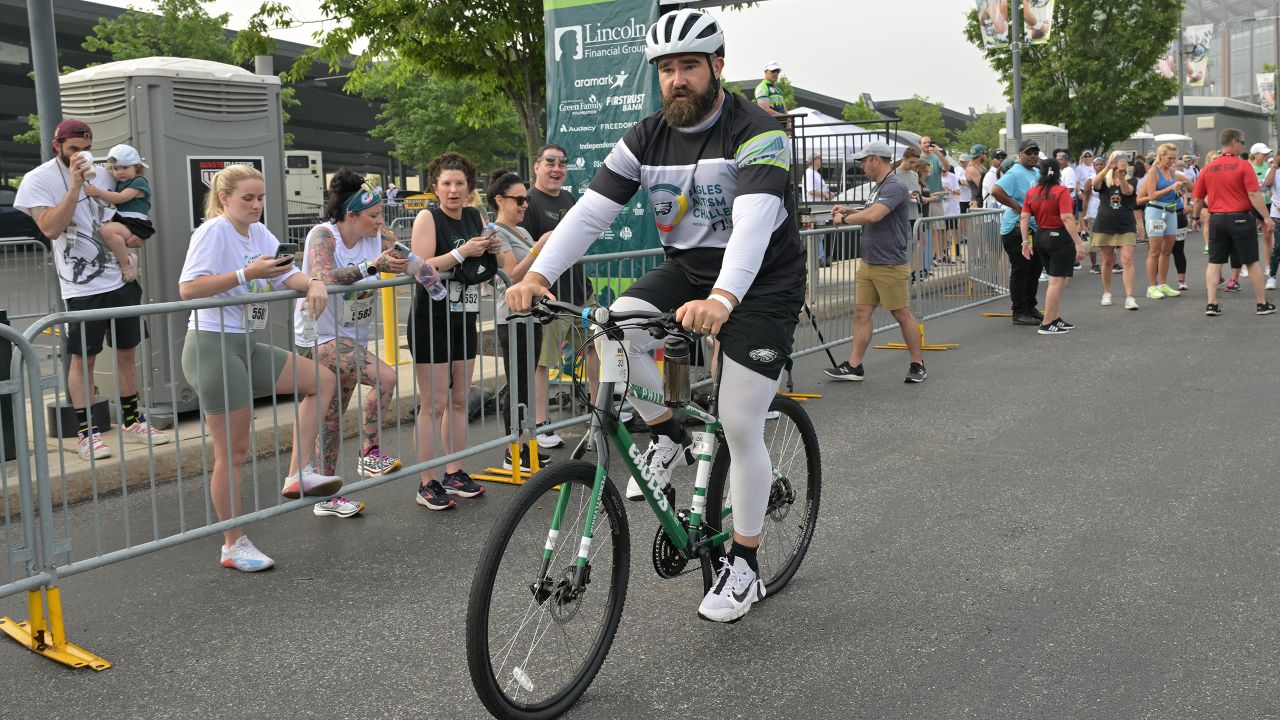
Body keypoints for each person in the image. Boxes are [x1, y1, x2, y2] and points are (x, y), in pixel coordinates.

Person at [506, 8, 807, 623]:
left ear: (717, 67)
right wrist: (539, 274)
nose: (677, 80)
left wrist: (722, 302)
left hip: (763, 281)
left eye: (689, 66)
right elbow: (589, 215)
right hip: (689, 269)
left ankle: (745, 566)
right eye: (666, 69)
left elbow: (751, 225)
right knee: (611, 328)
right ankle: (668, 431)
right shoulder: (644, 137)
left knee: (740, 422)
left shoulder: (758, 130)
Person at [178, 164, 341, 571]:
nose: (255, 205)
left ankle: (297, 473)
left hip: (246, 344)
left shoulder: (260, 233)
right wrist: (246, 273)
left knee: (321, 380)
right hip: (212, 346)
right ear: (224, 199)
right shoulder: (213, 231)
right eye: (247, 198)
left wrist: (314, 284)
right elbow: (188, 288)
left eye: (261, 198)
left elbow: (287, 272)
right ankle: (232, 543)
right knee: (232, 452)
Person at [13, 119, 170, 461]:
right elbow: (51, 228)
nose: (81, 156)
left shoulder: (104, 171)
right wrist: (73, 185)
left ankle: (131, 420)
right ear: (57, 146)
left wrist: (136, 236)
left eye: (86, 150)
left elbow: (128, 211)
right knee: (83, 357)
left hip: (121, 278)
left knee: (128, 350)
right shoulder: (38, 180)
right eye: (73, 150)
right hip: (82, 286)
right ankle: (87, 432)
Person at [294, 169, 410, 520]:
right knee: (387, 378)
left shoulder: (378, 234)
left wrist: (450, 258)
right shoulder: (323, 235)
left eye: (381, 214)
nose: (381, 221)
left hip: (351, 336)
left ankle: (327, 492)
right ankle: (369, 452)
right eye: (373, 216)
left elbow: (408, 255)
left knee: (332, 417)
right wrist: (371, 266)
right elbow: (324, 276)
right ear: (350, 216)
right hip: (319, 336)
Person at [407, 151, 497, 509]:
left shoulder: (476, 215)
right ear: (435, 187)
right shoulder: (428, 217)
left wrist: (489, 249)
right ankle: (426, 481)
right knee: (434, 403)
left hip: (464, 316)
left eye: (460, 183)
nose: (453, 189)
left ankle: (454, 471)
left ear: (470, 187)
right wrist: (463, 254)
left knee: (459, 399)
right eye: (446, 183)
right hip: (432, 319)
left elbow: (484, 259)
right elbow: (421, 265)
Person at [520, 144, 601, 449]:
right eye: (550, 162)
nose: (556, 169)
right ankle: (542, 423)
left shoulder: (569, 198)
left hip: (582, 292)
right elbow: (523, 253)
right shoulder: (527, 202)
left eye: (562, 164)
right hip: (548, 298)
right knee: (544, 362)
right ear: (537, 167)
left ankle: (598, 412)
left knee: (595, 349)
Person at [826, 141, 927, 381]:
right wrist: (850, 210)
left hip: (889, 262)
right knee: (862, 312)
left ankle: (917, 363)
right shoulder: (879, 187)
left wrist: (843, 219)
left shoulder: (894, 186)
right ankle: (854, 365)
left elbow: (873, 215)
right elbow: (870, 210)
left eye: (863, 161)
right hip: (869, 262)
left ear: (875, 160)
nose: (861, 166)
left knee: (901, 313)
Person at [487, 169, 552, 472]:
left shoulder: (522, 232)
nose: (524, 205)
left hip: (531, 314)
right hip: (511, 316)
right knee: (517, 382)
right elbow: (513, 275)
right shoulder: (495, 233)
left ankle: (527, 445)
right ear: (500, 200)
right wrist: (538, 248)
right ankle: (513, 448)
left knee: (525, 382)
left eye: (526, 200)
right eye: (518, 200)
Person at [1190, 128, 1276, 316]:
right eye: (1242, 142)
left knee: (1214, 261)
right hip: (1241, 218)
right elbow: (1253, 194)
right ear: (1235, 142)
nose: (1243, 146)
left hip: (1217, 219)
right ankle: (1261, 304)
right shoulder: (1244, 165)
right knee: (1252, 261)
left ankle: (1211, 304)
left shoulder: (1207, 168)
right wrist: (1267, 218)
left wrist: (1195, 218)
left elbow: (1197, 199)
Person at [1020, 158, 1085, 334]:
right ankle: (1047, 322)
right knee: (1056, 282)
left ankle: (1054, 317)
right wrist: (1078, 242)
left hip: (1041, 236)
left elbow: (1025, 217)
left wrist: (1025, 241)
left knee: (1059, 279)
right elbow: (1067, 217)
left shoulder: (1032, 192)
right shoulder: (1061, 191)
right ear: (1058, 173)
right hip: (1059, 237)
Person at [990, 139, 1043, 325]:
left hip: (1034, 228)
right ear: (1019, 155)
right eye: (1029, 152)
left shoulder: (1036, 172)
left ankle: (1030, 305)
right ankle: (1019, 311)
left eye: (1036, 152)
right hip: (1016, 229)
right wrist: (1017, 207)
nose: (1033, 155)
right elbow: (995, 190)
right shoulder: (1014, 172)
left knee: (1035, 268)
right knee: (1022, 269)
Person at [83, 143, 153, 283]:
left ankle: (126, 264)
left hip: (135, 223)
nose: (120, 172)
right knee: (106, 232)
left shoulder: (139, 182)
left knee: (108, 230)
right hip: (124, 220)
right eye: (116, 169)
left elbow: (121, 198)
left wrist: (97, 192)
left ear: (137, 168)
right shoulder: (120, 181)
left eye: (125, 167)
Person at [1090, 150, 1141, 310]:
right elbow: (1094, 184)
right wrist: (1108, 168)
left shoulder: (1131, 179)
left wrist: (1121, 175)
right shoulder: (1105, 179)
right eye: (1118, 158)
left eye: (1124, 158)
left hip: (1125, 224)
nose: (1121, 161)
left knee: (1127, 259)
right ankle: (1107, 293)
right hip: (1105, 223)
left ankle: (1130, 297)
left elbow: (1127, 191)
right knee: (1107, 260)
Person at [1138, 143, 1185, 301]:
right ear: (1161, 156)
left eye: (1174, 158)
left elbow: (1174, 191)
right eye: (1169, 158)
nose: (1172, 161)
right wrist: (1171, 187)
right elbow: (1151, 195)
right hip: (1156, 211)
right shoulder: (1153, 171)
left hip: (1170, 210)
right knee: (1154, 250)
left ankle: (1163, 283)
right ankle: (1151, 286)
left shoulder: (1172, 171)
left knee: (1167, 250)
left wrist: (1179, 191)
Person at [803, 152, 834, 267]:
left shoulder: (815, 173)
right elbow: (810, 190)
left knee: (819, 234)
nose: (821, 160)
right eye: (819, 158)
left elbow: (818, 189)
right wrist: (825, 195)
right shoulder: (809, 173)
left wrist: (828, 193)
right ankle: (819, 259)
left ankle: (819, 258)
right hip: (814, 207)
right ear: (814, 160)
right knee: (817, 233)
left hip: (819, 207)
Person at [918, 136, 952, 217]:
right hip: (923, 200)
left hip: (936, 200)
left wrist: (938, 153)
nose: (927, 144)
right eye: (924, 143)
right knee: (923, 228)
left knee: (940, 229)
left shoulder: (936, 158)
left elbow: (947, 168)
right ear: (920, 145)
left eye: (929, 142)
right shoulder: (917, 159)